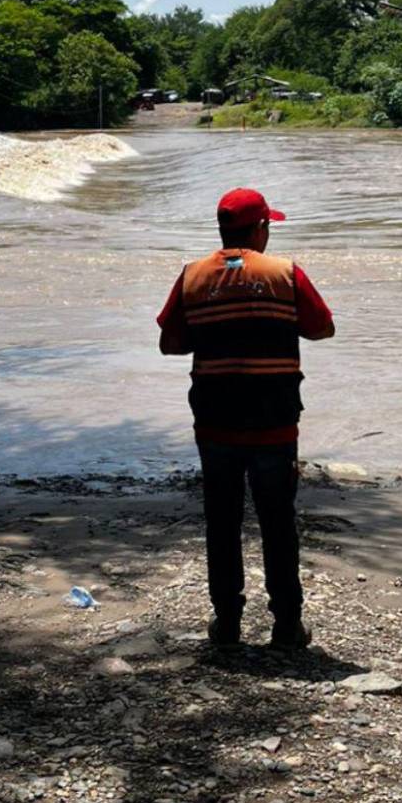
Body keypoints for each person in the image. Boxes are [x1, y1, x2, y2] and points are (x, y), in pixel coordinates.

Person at [157, 187, 334, 648]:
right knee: (278, 520)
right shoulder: (285, 273)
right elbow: (322, 328)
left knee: (222, 518)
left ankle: (228, 622)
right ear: (260, 229)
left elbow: (171, 344)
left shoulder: (192, 276)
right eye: (267, 226)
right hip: (274, 421)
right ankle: (287, 625)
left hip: (215, 421)